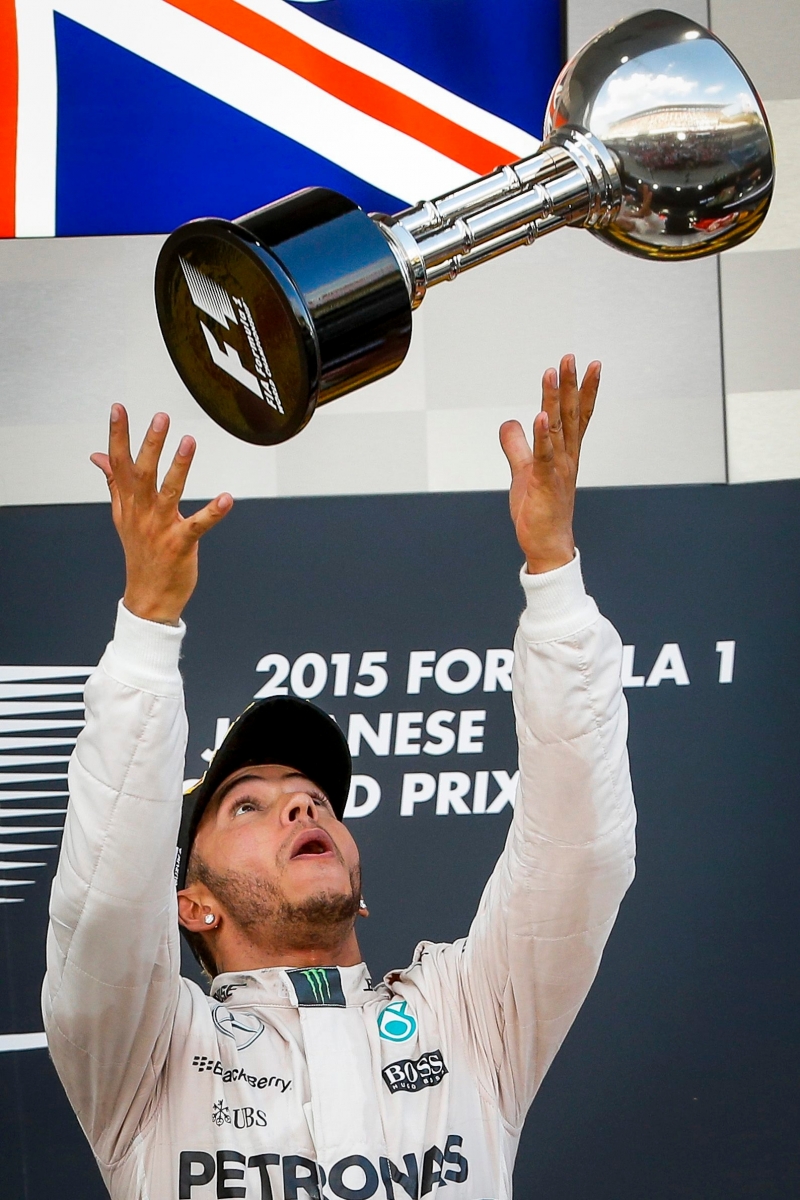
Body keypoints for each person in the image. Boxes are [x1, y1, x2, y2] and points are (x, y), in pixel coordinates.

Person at [43, 356, 636, 1200]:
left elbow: (583, 852)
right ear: (192, 904)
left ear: (358, 889)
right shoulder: (149, 1052)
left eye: (314, 799)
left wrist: (554, 574)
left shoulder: (469, 1017)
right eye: (248, 802)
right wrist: (146, 627)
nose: (299, 802)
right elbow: (103, 900)